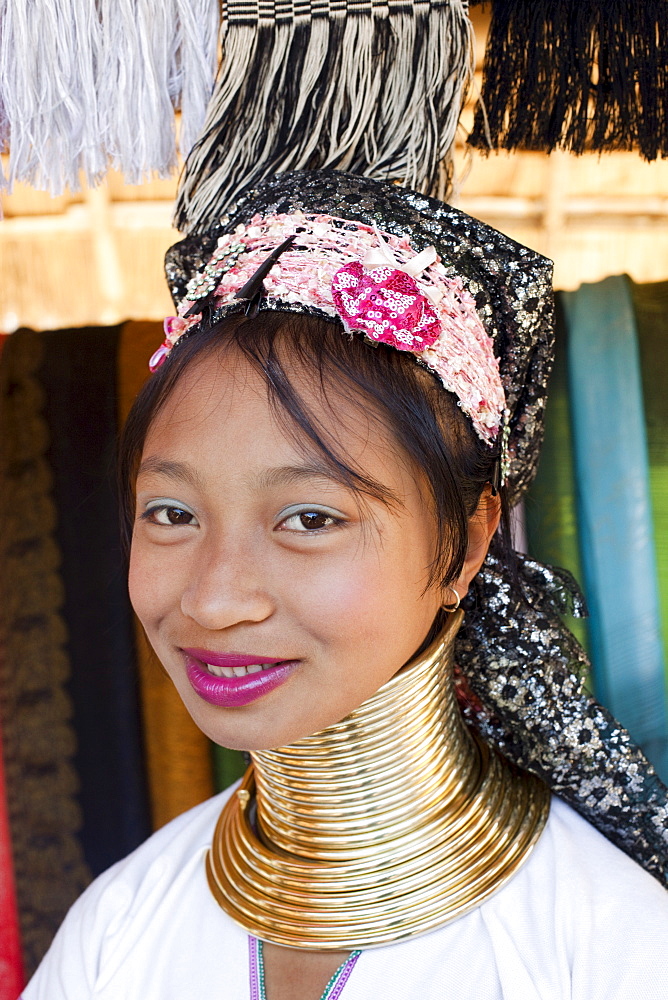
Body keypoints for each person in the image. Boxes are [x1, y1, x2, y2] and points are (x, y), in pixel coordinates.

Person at [22, 170, 668, 1000]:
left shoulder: (606, 947)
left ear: (466, 544)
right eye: (173, 513)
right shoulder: (117, 929)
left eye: (312, 520)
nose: (214, 600)